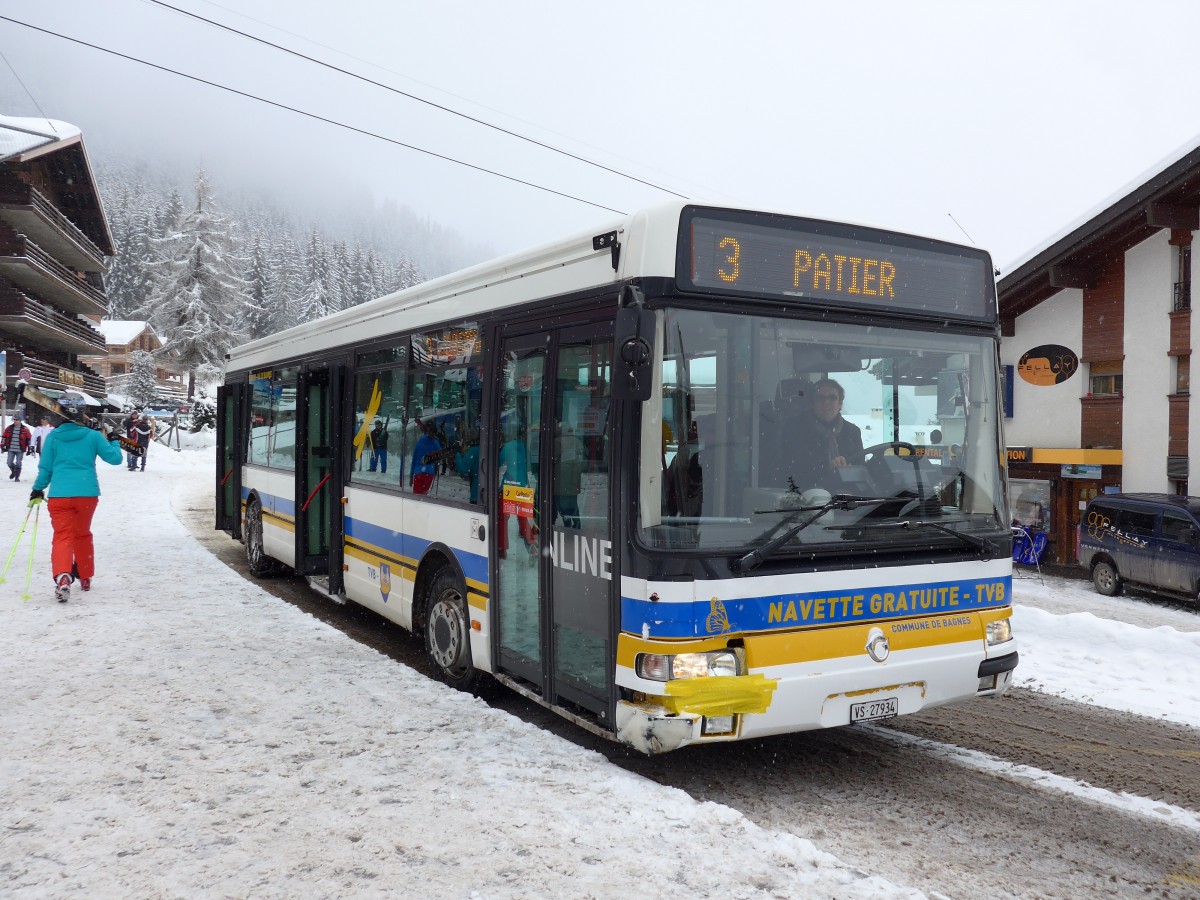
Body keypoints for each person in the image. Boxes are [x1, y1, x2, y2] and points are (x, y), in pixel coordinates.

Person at [28, 392, 125, 602]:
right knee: (82, 534)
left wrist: (37, 489)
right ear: (83, 413)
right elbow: (115, 459)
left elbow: (46, 469)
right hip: (87, 494)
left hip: (60, 495)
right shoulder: (92, 436)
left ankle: (63, 576)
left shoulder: (53, 437)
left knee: (62, 536)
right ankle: (85, 575)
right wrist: (115, 441)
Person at [784, 377, 864, 491]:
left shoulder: (852, 431)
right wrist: (829, 465)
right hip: (806, 493)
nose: (826, 402)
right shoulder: (794, 428)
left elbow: (861, 469)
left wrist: (849, 469)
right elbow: (793, 468)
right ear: (813, 403)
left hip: (847, 495)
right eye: (820, 398)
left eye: (832, 398)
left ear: (840, 403)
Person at [410, 420, 441, 494]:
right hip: (429, 473)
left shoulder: (420, 441)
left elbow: (414, 459)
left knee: (416, 496)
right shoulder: (435, 443)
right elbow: (440, 456)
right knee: (423, 496)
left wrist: (411, 476)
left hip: (419, 472)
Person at [2, 416, 33, 481]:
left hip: (20, 449)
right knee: (9, 462)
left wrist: (29, 448)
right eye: (14, 420)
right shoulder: (9, 428)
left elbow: (29, 439)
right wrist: (2, 445)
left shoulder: (25, 429)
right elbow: (4, 437)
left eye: (17, 420)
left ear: (20, 421)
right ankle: (14, 470)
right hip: (11, 448)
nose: (15, 421)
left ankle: (17, 477)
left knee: (18, 463)